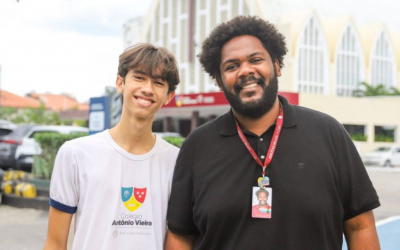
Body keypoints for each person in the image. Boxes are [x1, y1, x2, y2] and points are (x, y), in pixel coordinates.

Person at [165, 16, 380, 250]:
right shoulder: (197, 145)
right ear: (219, 80)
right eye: (231, 66)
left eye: (255, 59)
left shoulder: (329, 133)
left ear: (277, 65)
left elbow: (360, 226)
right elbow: (180, 235)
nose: (245, 71)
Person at [44, 43, 180, 250]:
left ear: (169, 96)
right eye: (139, 77)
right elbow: (54, 243)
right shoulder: (75, 154)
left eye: (158, 82)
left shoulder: (177, 160)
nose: (147, 89)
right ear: (120, 83)